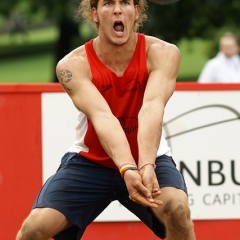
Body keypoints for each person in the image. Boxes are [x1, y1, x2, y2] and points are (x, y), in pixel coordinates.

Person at [16, 0, 195, 239]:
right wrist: (126, 167)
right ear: (95, 14)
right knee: (33, 230)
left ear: (137, 11)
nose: (118, 9)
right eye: (108, 3)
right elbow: (104, 118)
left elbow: (151, 109)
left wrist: (146, 164)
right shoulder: (71, 65)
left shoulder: (163, 53)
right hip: (91, 162)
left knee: (178, 211)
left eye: (125, 3)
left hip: (148, 158)